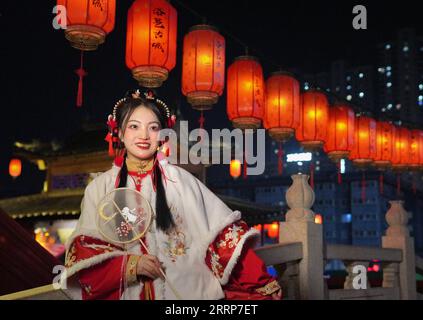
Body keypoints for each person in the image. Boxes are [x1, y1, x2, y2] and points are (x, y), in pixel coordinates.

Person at [63, 89, 282, 300]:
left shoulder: (182, 182)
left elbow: (222, 238)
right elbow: (85, 251)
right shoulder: (100, 188)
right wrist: (130, 265)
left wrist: (261, 282)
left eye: (153, 127)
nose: (143, 136)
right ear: (119, 132)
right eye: (134, 126)